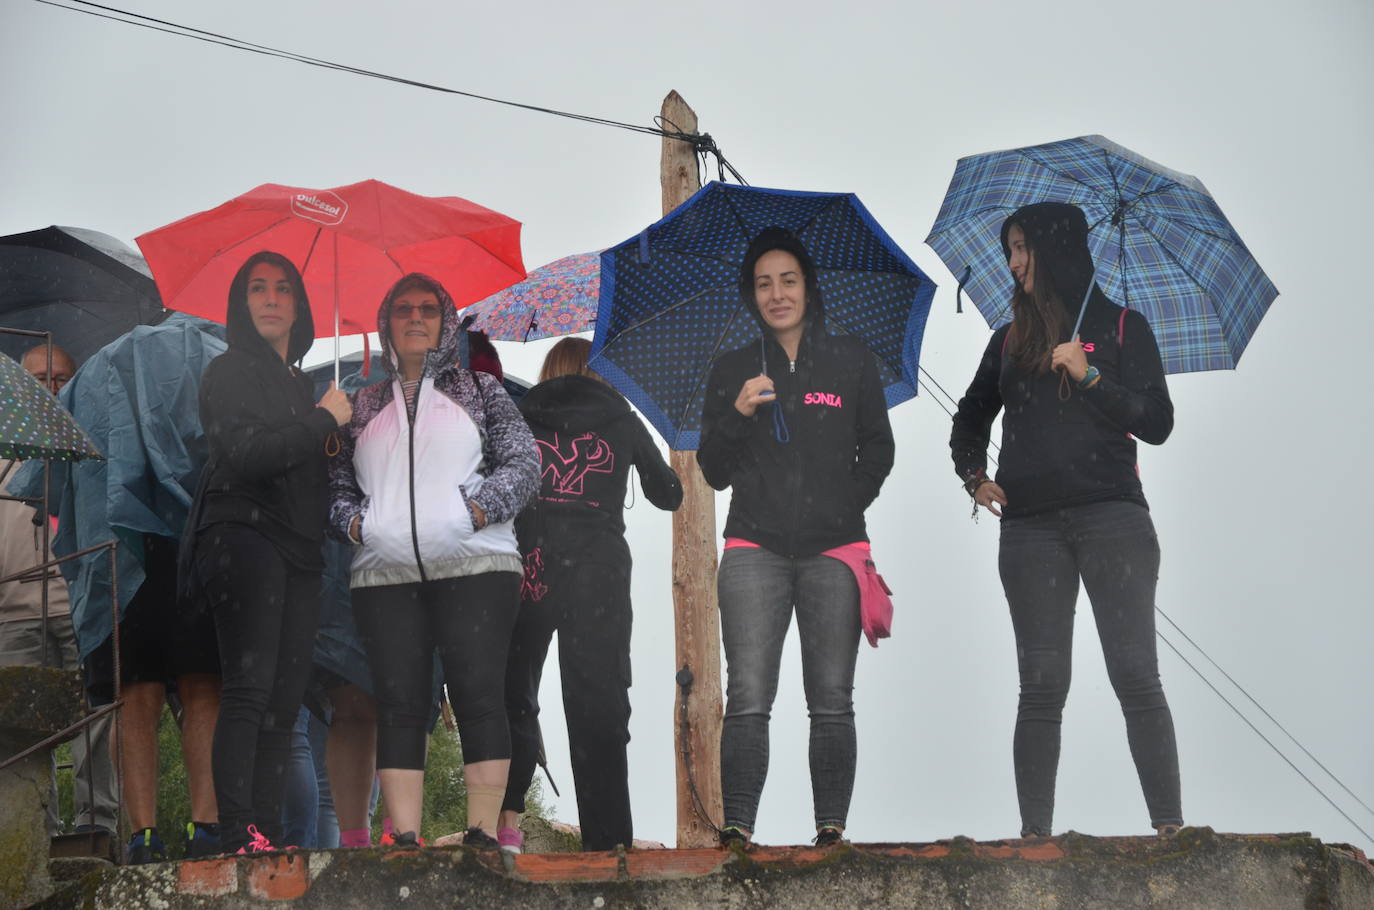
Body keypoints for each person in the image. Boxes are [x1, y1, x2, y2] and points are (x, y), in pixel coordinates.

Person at [950, 201, 1183, 838]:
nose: (1015, 262)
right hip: (1030, 531)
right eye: (1009, 250)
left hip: (1114, 518)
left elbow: (1158, 421)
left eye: (1024, 247)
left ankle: (1171, 832)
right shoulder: (1008, 339)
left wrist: (1092, 374)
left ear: (1056, 249)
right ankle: (1035, 842)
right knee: (1042, 684)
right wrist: (976, 477)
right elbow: (968, 421)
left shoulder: (1123, 326)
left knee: (1135, 673)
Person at [698, 227, 895, 847]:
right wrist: (738, 415)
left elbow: (879, 449)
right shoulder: (733, 368)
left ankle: (830, 831)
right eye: (763, 283)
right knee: (750, 694)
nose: (776, 293)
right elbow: (712, 468)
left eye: (788, 280)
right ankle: (738, 831)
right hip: (753, 548)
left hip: (835, 551)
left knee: (832, 697)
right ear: (751, 294)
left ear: (808, 286)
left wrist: (842, 507)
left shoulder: (850, 358)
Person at [329, 273, 538, 849]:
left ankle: (481, 832)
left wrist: (474, 511)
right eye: (403, 309)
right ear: (386, 321)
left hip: (478, 566)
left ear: (446, 321)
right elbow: (337, 483)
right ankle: (405, 837)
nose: (415, 318)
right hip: (384, 573)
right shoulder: (362, 403)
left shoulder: (481, 390)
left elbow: (524, 462)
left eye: (428, 308)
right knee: (398, 702)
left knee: (479, 693)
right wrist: (356, 523)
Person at [187, 250, 352, 855]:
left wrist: (333, 433)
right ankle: (238, 832)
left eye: (284, 289)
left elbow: (301, 458)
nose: (271, 299)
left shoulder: (302, 384)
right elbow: (248, 455)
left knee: (286, 703)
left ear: (300, 307)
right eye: (258, 289)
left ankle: (268, 834)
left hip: (302, 552)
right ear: (241, 302)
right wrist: (319, 422)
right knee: (250, 689)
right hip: (243, 537)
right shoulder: (226, 372)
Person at [497, 337, 682, 853]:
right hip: (598, 572)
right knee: (598, 705)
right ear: (598, 373)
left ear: (549, 370)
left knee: (515, 695)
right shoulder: (620, 416)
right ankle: (607, 845)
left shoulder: (520, 415)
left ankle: (503, 821)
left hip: (530, 565)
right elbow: (669, 494)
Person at [0, 345, 117, 843]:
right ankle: (27, 834)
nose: (51, 389)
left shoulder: (90, 445)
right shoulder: (3, 451)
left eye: (62, 378)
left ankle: (99, 828)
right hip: (10, 613)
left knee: (98, 721)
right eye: (39, 379)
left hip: (80, 603)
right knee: (17, 734)